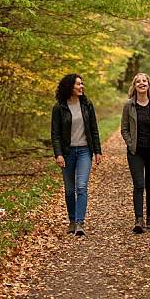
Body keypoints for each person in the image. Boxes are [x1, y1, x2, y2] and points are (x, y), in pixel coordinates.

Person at [51, 74, 102, 236]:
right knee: (69, 190)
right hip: (67, 153)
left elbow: (94, 129)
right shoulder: (59, 108)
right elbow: (55, 134)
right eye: (78, 84)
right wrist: (58, 154)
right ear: (69, 87)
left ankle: (80, 222)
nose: (82, 87)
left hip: (84, 151)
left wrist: (97, 151)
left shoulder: (87, 105)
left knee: (81, 187)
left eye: (82, 84)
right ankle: (72, 220)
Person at [121, 73, 150, 233]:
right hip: (135, 152)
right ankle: (138, 219)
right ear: (134, 86)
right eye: (138, 81)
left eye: (144, 80)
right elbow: (124, 129)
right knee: (139, 184)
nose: (142, 83)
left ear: (149, 84)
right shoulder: (129, 105)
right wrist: (130, 143)